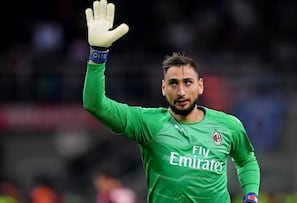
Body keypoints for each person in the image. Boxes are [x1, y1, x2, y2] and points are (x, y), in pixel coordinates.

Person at [83, 0, 260, 202]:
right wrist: (98, 54)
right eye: (173, 83)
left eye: (188, 82)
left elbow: (246, 161)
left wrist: (251, 195)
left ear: (200, 86)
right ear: (163, 88)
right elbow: (95, 105)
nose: (181, 91)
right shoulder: (147, 122)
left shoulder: (229, 125)